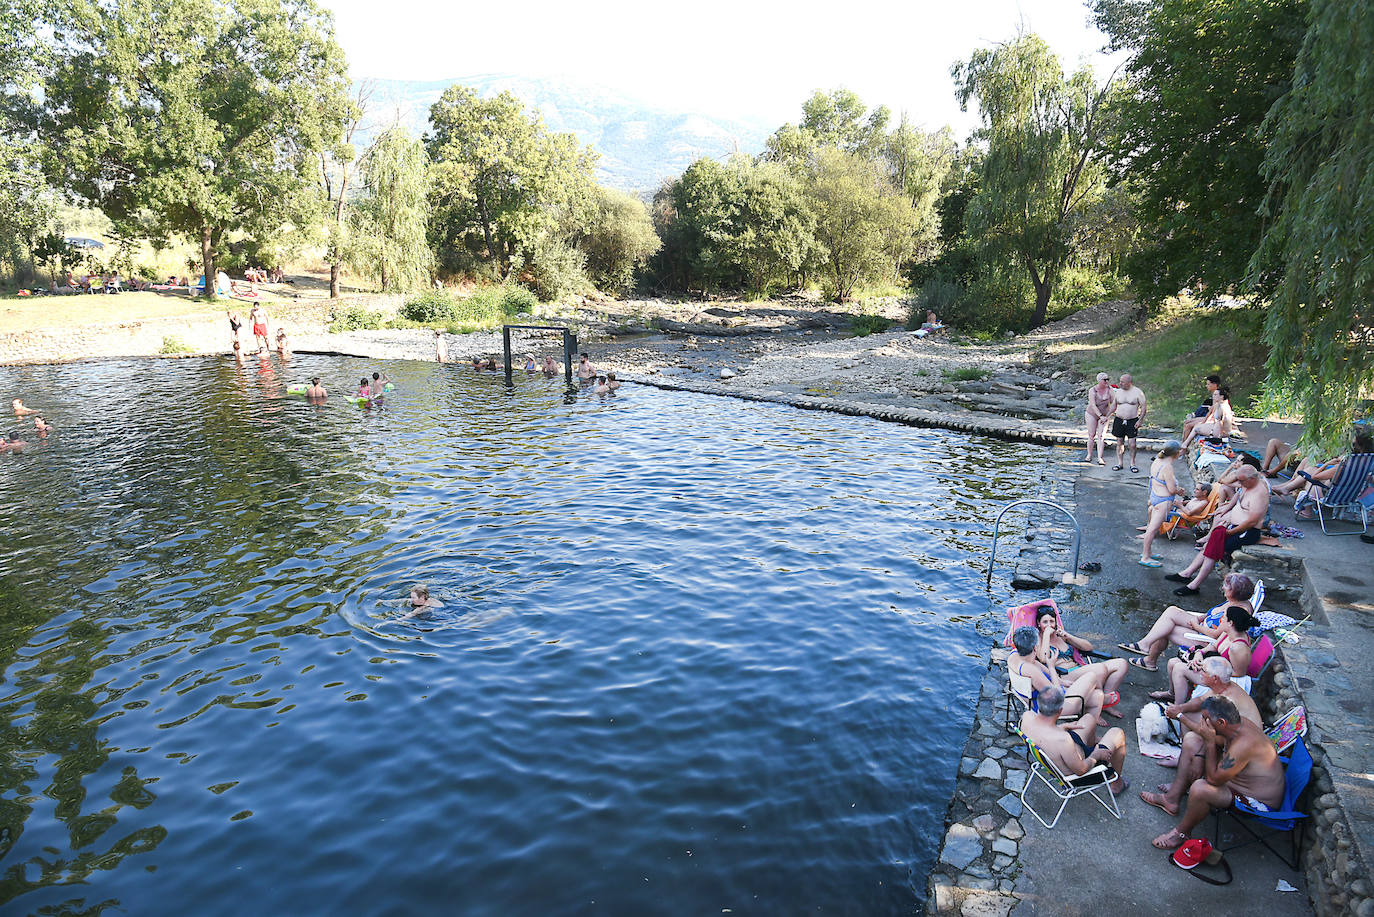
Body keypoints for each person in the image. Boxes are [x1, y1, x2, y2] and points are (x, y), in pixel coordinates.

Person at [1147, 696, 1285, 850]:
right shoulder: (1236, 723)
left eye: (1206, 719)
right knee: (1192, 740)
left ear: (1221, 723)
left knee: (1201, 789)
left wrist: (1210, 742)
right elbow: (1218, 742)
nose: (1203, 723)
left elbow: (1213, 780)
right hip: (1234, 779)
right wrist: (1200, 757)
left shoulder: (1244, 744)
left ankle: (1181, 833)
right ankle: (1171, 799)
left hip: (1256, 801)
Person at [1119, 573, 1257, 671]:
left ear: (1235, 592)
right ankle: (1145, 647)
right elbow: (1213, 613)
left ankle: (1148, 657)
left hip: (1205, 638)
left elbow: (1216, 635)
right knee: (1171, 611)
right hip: (1201, 626)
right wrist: (1201, 618)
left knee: (1166, 628)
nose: (1222, 588)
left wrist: (1196, 625)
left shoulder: (1237, 611)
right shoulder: (1233, 601)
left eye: (1226, 587)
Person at [1167, 465, 1269, 596]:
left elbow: (1251, 522)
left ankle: (1193, 586)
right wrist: (1226, 509)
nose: (1239, 483)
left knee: (1211, 552)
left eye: (1242, 481)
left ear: (1253, 478)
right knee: (1209, 546)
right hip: (1232, 527)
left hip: (1247, 532)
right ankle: (1186, 574)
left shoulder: (1260, 494)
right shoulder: (1246, 484)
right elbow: (1233, 491)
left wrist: (1230, 532)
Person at [1019, 686, 1129, 797]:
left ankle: (1091, 747)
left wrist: (1062, 727)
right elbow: (1081, 770)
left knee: (1089, 718)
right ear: (1060, 711)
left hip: (1062, 753)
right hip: (1077, 776)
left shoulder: (1027, 717)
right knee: (1117, 733)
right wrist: (1095, 755)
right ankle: (1116, 784)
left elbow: (1044, 736)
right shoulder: (1063, 740)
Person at [1005, 625, 1107, 732]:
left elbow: (1035, 662)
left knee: (1098, 696)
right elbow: (1057, 696)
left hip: (1038, 700)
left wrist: (1061, 681)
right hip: (1051, 708)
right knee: (1092, 676)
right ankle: (1082, 732)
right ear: (1035, 648)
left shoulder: (1015, 655)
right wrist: (1052, 667)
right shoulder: (1031, 671)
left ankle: (1088, 732)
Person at [1030, 605, 1127, 716]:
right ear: (1038, 623)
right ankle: (1093, 708)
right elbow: (1043, 658)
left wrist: (1068, 637)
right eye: (1045, 622)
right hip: (1064, 674)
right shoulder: (1038, 638)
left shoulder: (1060, 635)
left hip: (1079, 668)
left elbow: (1088, 648)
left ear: (1056, 622)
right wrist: (1046, 634)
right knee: (1099, 668)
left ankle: (1104, 703)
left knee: (1121, 664)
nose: (1049, 625)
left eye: (1052, 621)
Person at [1152, 606, 1259, 704]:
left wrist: (1205, 668)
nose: (1221, 620)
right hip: (1214, 667)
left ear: (1230, 623)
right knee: (1172, 663)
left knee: (1179, 668)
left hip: (1224, 680)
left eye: (1224, 618)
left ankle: (1178, 709)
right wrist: (1200, 653)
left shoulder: (1238, 648)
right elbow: (1214, 646)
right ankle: (1172, 694)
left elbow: (1238, 674)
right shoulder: (1228, 632)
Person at [1139, 440, 1186, 567]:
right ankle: (1145, 556)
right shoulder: (1167, 467)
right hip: (1163, 501)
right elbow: (1171, 489)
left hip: (1155, 496)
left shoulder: (1157, 460)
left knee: (1152, 528)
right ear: (1176, 453)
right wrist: (1179, 490)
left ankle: (1148, 552)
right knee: (1152, 529)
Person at [1111, 373, 1147, 472]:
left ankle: (1132, 463)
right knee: (1119, 442)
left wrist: (1140, 420)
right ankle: (1120, 463)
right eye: (1120, 381)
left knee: (1132, 444)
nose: (1120, 383)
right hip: (1119, 419)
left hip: (1132, 420)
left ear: (1129, 382)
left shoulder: (1138, 392)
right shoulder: (1118, 392)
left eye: (1122, 382)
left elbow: (1143, 408)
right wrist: (1106, 416)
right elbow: (1114, 406)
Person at [1083, 372, 1115, 465]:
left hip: (1105, 414)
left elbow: (1113, 403)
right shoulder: (1093, 390)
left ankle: (1100, 457)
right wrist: (1100, 416)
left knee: (1101, 436)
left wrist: (1107, 416)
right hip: (1092, 414)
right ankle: (1089, 455)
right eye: (1105, 380)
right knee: (1091, 435)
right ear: (1099, 381)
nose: (1107, 381)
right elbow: (1093, 404)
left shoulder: (1110, 389)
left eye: (1108, 379)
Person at [1181, 375, 1222, 442]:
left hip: (1213, 420)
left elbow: (1212, 412)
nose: (1206, 386)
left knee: (1188, 425)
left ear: (1215, 384)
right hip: (1211, 417)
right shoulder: (1215, 394)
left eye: (1208, 384)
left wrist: (1204, 421)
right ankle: (1183, 444)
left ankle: (1184, 445)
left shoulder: (1218, 395)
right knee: (1187, 422)